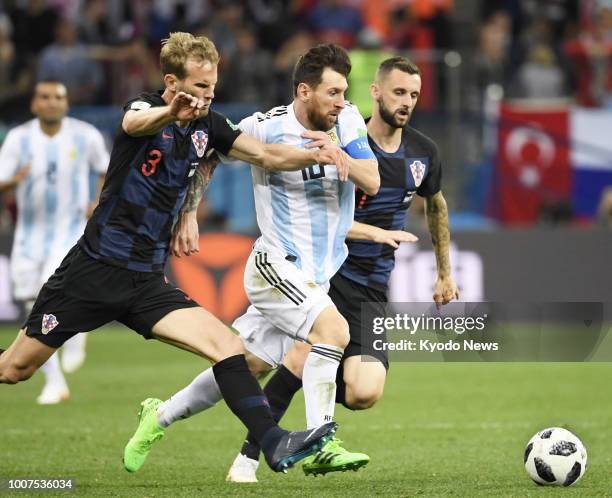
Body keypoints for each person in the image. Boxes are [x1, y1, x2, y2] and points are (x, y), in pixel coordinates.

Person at [0, 32, 346, 473]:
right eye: (200, 88)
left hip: (145, 282)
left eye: (213, 87)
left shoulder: (209, 126)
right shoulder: (144, 109)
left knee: (227, 346)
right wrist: (170, 112)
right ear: (171, 81)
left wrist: (322, 155)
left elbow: (266, 154)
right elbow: (134, 125)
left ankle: (274, 441)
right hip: (92, 273)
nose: (208, 96)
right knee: (15, 369)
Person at [122, 43, 380, 476]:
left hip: (317, 275)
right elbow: (207, 155)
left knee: (248, 365)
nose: (341, 102)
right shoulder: (265, 127)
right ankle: (323, 440)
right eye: (332, 93)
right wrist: (188, 213)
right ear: (303, 90)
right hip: (274, 263)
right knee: (332, 331)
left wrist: (341, 157)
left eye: (343, 92)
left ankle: (158, 416)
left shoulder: (350, 120)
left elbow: (371, 178)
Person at [225, 55, 459, 481]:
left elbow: (436, 206)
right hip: (329, 273)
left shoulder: (423, 152)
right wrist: (370, 232)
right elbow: (322, 219)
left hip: (372, 289)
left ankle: (307, 403)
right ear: (376, 92)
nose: (407, 102)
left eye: (414, 95)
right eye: (399, 93)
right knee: (270, 361)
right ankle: (248, 457)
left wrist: (444, 272)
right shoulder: (344, 138)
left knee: (364, 391)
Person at [0, 80, 108, 404]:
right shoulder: (19, 139)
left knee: (47, 293)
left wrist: (98, 201)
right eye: (45, 97)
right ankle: (64, 361)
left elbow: (105, 169)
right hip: (28, 235)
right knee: (30, 304)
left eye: (58, 97)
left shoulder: (84, 135)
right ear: (34, 104)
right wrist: (14, 181)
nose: (51, 103)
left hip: (69, 229)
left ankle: (56, 379)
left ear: (66, 103)